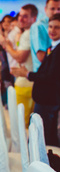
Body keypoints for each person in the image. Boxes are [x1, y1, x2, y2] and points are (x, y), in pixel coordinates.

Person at [11, 13, 60, 146]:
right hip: (44, 99)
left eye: (57, 28)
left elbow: (50, 77)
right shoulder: (51, 47)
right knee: (40, 136)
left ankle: (41, 165)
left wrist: (27, 74)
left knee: (42, 139)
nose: (52, 30)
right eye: (50, 27)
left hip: (49, 101)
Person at [4, 4, 37, 124]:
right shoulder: (29, 33)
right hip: (28, 81)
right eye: (20, 16)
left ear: (34, 18)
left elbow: (20, 57)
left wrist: (7, 46)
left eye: (25, 16)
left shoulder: (28, 34)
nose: (21, 19)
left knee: (21, 124)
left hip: (25, 83)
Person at [30, 0, 60, 72]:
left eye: (59, 9)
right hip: (43, 73)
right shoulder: (39, 26)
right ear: (45, 9)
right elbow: (41, 56)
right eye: (52, 9)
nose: (56, 12)